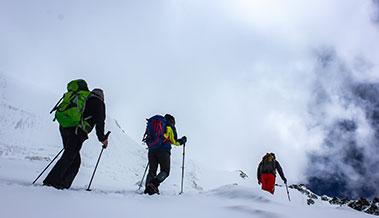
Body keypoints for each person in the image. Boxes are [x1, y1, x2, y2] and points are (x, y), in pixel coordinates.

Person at [43, 85, 109, 190]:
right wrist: (103, 138)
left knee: (72, 158)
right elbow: (100, 122)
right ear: (102, 96)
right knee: (70, 158)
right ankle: (53, 182)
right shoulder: (99, 103)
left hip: (65, 127)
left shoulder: (85, 98)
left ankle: (60, 183)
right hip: (77, 131)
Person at [143, 114, 187, 195]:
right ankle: (153, 184)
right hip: (163, 151)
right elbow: (174, 141)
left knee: (152, 170)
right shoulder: (169, 126)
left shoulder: (156, 124)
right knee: (165, 171)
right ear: (172, 121)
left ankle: (148, 189)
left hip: (152, 149)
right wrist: (183, 140)